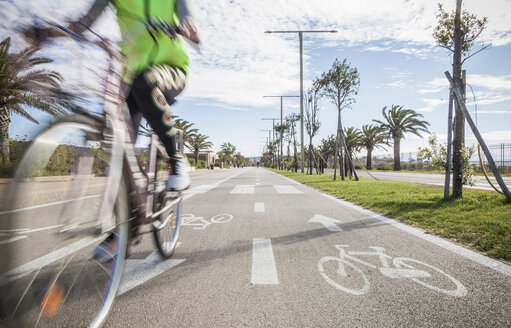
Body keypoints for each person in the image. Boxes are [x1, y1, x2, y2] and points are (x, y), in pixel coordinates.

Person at [24, 0, 199, 261]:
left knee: (146, 81)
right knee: (118, 147)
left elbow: (187, 17)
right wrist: (48, 31)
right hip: (130, 73)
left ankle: (175, 159)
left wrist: (187, 27)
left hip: (171, 69)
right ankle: (123, 230)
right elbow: (83, 23)